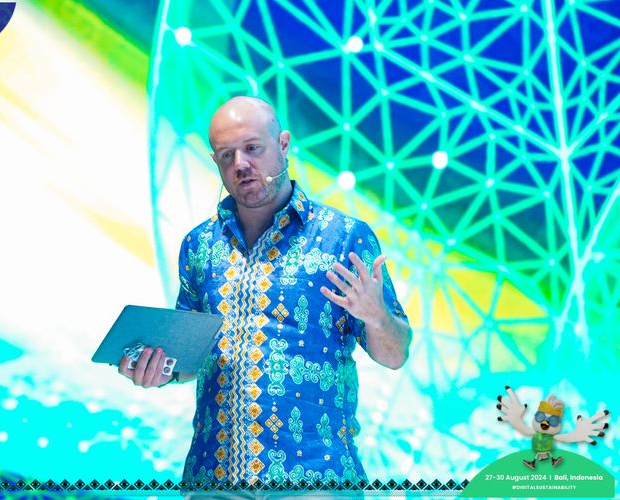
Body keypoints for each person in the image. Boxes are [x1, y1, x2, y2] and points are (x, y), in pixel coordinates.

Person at [119, 96, 412, 489]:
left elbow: (395, 355)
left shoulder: (344, 238)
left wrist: (377, 316)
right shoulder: (198, 246)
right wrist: (158, 370)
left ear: (283, 144)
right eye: (227, 155)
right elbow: (190, 357)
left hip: (315, 481)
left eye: (252, 148)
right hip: (214, 479)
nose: (240, 164)